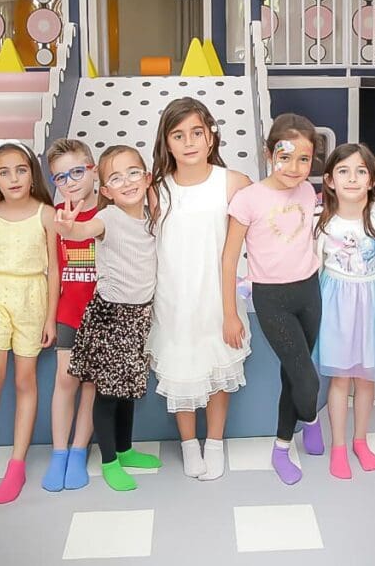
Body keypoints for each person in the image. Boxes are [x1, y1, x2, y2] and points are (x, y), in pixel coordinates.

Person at [146, 98, 252, 481]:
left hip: (216, 295)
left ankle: (215, 442)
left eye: (196, 132)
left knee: (216, 370)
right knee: (181, 370)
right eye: (178, 134)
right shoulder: (157, 189)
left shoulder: (233, 183)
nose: (189, 141)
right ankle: (189, 444)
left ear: (211, 135)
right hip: (173, 298)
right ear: (167, 142)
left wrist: (230, 311)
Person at [223, 113, 323, 485]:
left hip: (309, 290)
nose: (295, 168)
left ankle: (283, 444)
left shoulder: (307, 191)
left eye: (304, 159)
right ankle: (308, 420)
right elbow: (229, 257)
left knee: (293, 374)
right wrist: (230, 312)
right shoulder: (248, 199)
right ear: (268, 154)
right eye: (285, 157)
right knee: (307, 382)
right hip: (271, 299)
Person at [55, 145, 162, 491]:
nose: (127, 182)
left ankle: (125, 448)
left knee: (128, 389)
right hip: (111, 316)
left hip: (140, 315)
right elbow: (85, 232)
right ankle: (109, 460)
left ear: (146, 178)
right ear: (106, 191)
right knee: (107, 394)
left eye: (133, 173)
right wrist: (69, 229)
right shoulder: (110, 218)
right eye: (115, 178)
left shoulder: (150, 216)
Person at [0, 139, 59, 504]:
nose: (14, 177)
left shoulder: (45, 214)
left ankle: (17, 464)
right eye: (4, 172)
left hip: (31, 298)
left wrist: (49, 317)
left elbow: (53, 271)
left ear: (32, 173)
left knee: (25, 379)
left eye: (20, 169)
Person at [313, 143, 375, 479]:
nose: (353, 178)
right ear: (329, 180)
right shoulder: (321, 219)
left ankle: (361, 440)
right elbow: (311, 265)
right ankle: (339, 446)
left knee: (366, 377)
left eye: (361, 171)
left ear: (373, 179)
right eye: (343, 171)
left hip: (372, 300)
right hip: (336, 304)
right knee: (340, 378)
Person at [41, 139, 98, 492]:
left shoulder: (107, 211)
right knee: (65, 380)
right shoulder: (54, 215)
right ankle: (59, 452)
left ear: (92, 168)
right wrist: (50, 318)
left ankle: (79, 451)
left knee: (91, 384)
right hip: (69, 311)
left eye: (77, 172)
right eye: (61, 177)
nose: (71, 182)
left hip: (102, 312)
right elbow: (54, 270)